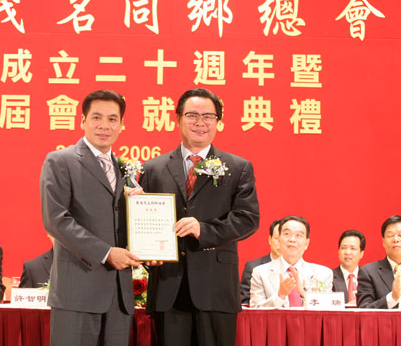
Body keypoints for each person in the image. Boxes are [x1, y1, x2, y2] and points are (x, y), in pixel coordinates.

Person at [139, 88, 260, 346]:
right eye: (192, 115)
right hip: (168, 286)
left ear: (218, 122)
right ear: (178, 118)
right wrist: (146, 254)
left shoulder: (237, 167)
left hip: (216, 286)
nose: (200, 122)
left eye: (208, 116)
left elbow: (247, 218)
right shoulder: (153, 169)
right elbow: (143, 222)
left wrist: (203, 230)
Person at [41, 90, 141, 346]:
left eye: (112, 119)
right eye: (97, 117)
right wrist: (106, 253)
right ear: (83, 120)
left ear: (121, 124)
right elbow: (56, 219)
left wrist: (147, 246)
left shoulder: (124, 169)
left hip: (119, 297)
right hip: (77, 292)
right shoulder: (61, 160)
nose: (104, 125)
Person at [250, 215, 332, 308]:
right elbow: (255, 311)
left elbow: (326, 310)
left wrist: (303, 295)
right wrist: (280, 296)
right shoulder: (260, 273)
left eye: (298, 235)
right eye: (287, 234)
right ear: (279, 240)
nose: (292, 239)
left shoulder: (323, 274)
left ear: (306, 243)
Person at [357, 215, 401, 309]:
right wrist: (392, 298)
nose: (396, 239)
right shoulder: (369, 272)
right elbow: (364, 309)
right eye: (390, 236)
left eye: (400, 235)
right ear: (383, 242)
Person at [240, 219, 281, 305]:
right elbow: (245, 301)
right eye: (277, 238)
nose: (281, 243)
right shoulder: (253, 267)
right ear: (270, 240)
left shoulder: (300, 269)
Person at [332, 230, 365, 304]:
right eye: (344, 248)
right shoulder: (329, 277)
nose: (347, 252)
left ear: (361, 254)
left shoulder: (369, 277)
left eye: (353, 248)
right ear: (338, 251)